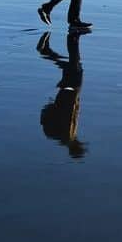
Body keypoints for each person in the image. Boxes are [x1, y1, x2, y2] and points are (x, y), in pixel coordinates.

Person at [36, 30, 86, 158]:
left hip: (68, 94)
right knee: (74, 66)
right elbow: (72, 113)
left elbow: (71, 113)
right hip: (67, 94)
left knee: (75, 68)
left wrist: (76, 95)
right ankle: (49, 50)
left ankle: (48, 51)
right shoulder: (67, 137)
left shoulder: (68, 135)